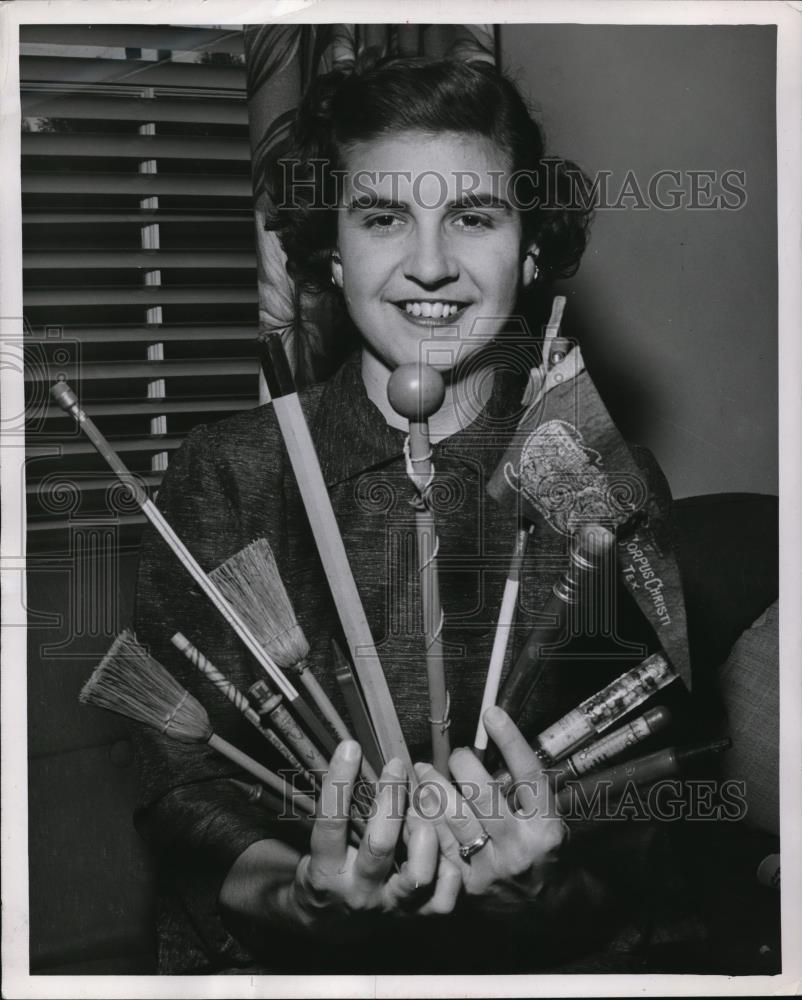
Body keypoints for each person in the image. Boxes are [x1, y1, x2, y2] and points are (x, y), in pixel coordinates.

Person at [133, 57, 690, 975]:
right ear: (329, 248)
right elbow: (178, 788)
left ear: (532, 247)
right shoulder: (230, 471)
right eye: (383, 217)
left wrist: (545, 896)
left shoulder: (598, 475)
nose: (430, 265)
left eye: (474, 216)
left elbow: (649, 826)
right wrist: (302, 895)